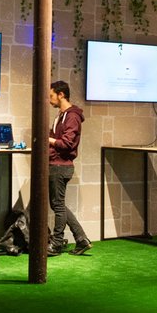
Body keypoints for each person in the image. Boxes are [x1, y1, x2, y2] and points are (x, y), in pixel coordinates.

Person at [47, 80, 91, 256]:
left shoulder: (72, 116)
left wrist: (47, 139)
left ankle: (57, 243)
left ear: (61, 94)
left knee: (57, 205)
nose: (49, 99)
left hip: (60, 165)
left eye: (51, 96)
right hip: (56, 164)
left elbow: (66, 143)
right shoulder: (61, 115)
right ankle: (81, 239)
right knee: (58, 204)